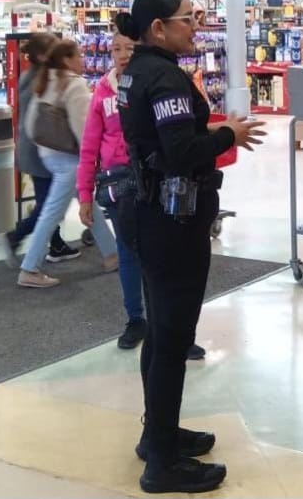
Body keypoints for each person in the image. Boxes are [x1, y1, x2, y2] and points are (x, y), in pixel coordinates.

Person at [114, 0, 264, 494]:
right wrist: (229, 136)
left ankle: (158, 434)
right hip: (172, 222)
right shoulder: (166, 79)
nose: (195, 26)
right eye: (188, 18)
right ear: (159, 28)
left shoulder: (133, 72)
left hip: (145, 212)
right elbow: (181, 151)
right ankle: (162, 464)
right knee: (173, 337)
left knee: (160, 331)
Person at [76, 32, 207, 359]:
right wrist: (84, 194)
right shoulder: (102, 94)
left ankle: (172, 330)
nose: (121, 55)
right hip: (119, 183)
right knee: (129, 253)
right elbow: (89, 146)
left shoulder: (153, 85)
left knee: (163, 257)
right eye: (115, 49)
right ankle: (136, 320)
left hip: (155, 177)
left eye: (129, 48)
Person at [18, 39, 118, 288]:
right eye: (79, 55)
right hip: (69, 160)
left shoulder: (45, 80)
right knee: (51, 213)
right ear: (66, 59)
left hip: (48, 155)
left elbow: (31, 125)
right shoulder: (74, 85)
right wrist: (94, 160)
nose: (83, 60)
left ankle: (112, 255)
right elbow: (85, 131)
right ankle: (29, 268)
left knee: (88, 206)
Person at [0, 34, 78, 267]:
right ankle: (15, 237)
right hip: (41, 151)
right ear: (44, 55)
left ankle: (55, 244)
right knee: (49, 205)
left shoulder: (31, 76)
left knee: (51, 201)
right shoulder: (43, 80)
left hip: (35, 149)